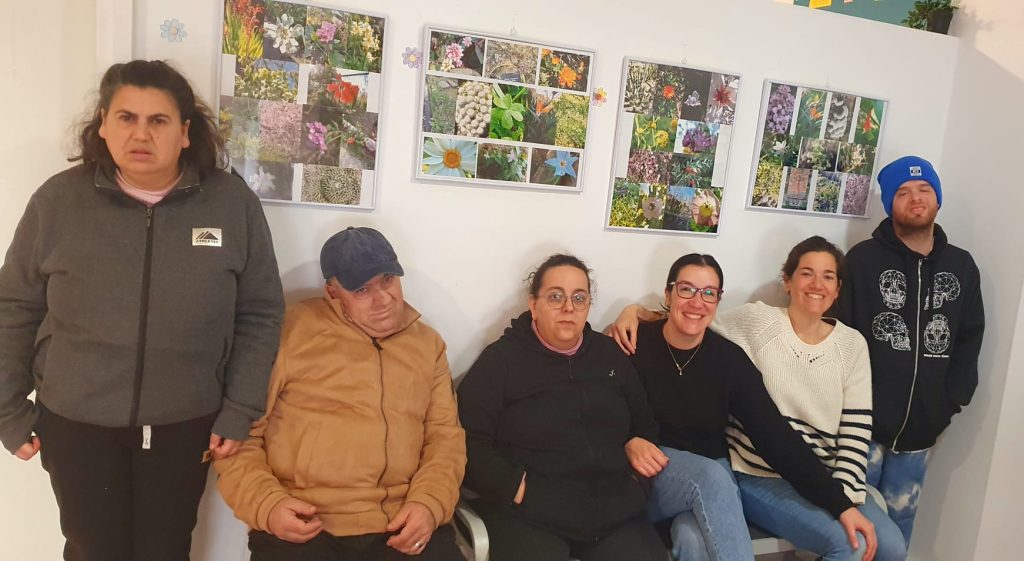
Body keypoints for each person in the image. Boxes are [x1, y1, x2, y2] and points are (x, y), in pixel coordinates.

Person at [0, 60, 284, 560]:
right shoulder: (58, 202)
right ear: (103, 124)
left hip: (186, 423)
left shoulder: (231, 204)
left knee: (166, 551)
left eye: (158, 120)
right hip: (76, 422)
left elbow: (259, 313)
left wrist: (240, 409)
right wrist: (7, 410)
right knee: (93, 550)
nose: (141, 134)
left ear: (185, 132)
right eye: (126, 118)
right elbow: (14, 307)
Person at [608, 249, 891, 561]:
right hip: (650, 476)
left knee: (693, 539)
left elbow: (777, 438)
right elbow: (599, 412)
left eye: (709, 293)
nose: (697, 302)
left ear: (718, 300)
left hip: (713, 482)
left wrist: (840, 505)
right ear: (668, 293)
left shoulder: (729, 360)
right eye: (686, 289)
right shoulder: (633, 342)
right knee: (711, 478)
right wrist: (629, 440)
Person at [215, 227, 466, 561]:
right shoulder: (288, 333)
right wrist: (268, 505)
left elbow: (445, 439)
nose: (383, 299)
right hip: (308, 520)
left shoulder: (428, 345)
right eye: (362, 289)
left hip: (401, 519)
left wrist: (429, 504)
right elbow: (237, 436)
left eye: (388, 280)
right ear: (333, 292)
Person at [457, 254, 667, 561]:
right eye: (555, 297)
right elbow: (467, 442)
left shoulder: (609, 355)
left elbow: (646, 424)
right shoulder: (501, 361)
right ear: (533, 305)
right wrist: (518, 489)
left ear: (588, 306)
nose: (568, 308)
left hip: (612, 511)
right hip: (530, 515)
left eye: (579, 298)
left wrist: (637, 470)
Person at [840, 156, 984, 544]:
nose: (916, 198)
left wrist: (952, 399)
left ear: (937, 198)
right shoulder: (861, 261)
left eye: (924, 189)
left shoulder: (961, 266)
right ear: (890, 204)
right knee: (853, 525)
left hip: (922, 426)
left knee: (899, 527)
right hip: (861, 428)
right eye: (903, 192)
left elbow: (970, 336)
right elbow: (840, 334)